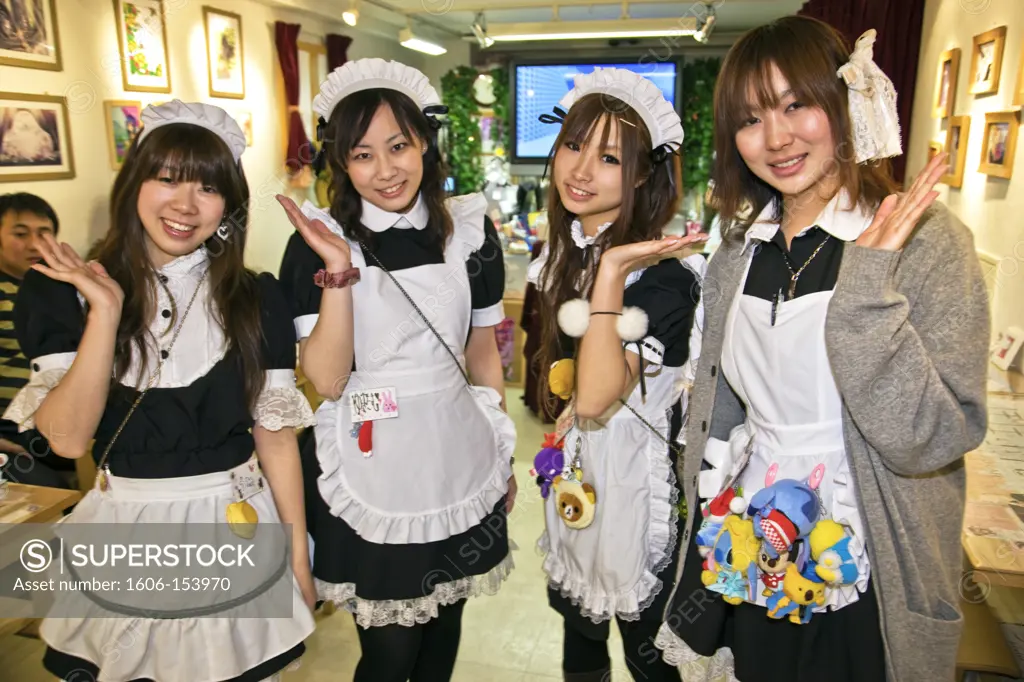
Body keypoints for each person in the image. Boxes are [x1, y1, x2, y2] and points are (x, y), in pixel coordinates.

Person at [654, 18, 989, 682]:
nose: (775, 138)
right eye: (750, 119)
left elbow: (933, 437)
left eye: (796, 105)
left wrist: (866, 293)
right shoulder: (738, 251)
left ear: (843, 105)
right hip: (754, 543)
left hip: (865, 554)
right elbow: (722, 411)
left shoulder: (924, 242)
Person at [3, 100, 317, 682]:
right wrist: (104, 312)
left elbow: (275, 442)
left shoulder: (256, 300)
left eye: (208, 187)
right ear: (133, 184)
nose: (184, 204)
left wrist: (298, 555)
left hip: (236, 524)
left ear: (228, 207)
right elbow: (69, 440)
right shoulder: (61, 296)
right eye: (166, 177)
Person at [277, 58, 516, 682]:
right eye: (362, 154)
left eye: (399, 146)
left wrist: (501, 452)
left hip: (458, 453)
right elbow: (326, 381)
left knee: (443, 639)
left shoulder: (468, 228)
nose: (385, 170)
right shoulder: (317, 243)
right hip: (372, 460)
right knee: (388, 655)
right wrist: (337, 269)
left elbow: (482, 352)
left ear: (425, 144)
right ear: (341, 163)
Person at [527, 68, 707, 682]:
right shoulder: (566, 249)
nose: (580, 169)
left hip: (638, 487)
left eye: (607, 157)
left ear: (640, 175)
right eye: (573, 146)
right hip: (582, 471)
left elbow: (601, 393)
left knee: (647, 652)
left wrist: (610, 276)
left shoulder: (664, 277)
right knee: (579, 629)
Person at [0, 192, 73, 489]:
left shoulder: (62, 290)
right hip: (12, 431)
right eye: (20, 234)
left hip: (63, 420)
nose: (34, 244)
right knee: (51, 491)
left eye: (43, 233)